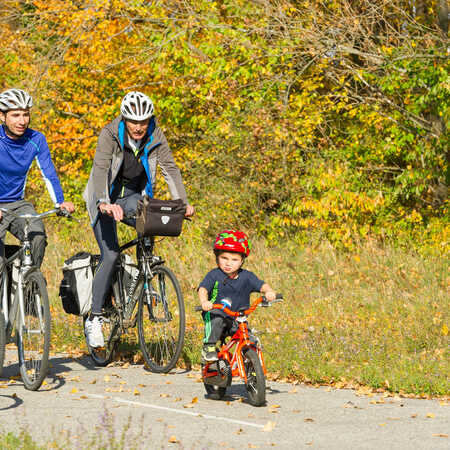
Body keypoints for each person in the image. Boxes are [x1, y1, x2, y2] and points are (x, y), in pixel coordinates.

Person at [83, 91, 194, 348]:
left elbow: (170, 169)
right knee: (110, 254)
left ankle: (143, 275)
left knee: (152, 221)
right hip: (102, 197)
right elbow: (100, 169)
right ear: (124, 118)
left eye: (143, 121)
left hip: (131, 196)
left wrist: (183, 203)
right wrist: (104, 202)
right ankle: (95, 317)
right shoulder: (110, 134)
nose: (138, 126)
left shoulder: (156, 135)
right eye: (133, 121)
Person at [0, 88, 75, 269]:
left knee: (38, 237)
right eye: (15, 115)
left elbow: (48, 173)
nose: (22, 121)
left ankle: (30, 287)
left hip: (18, 204)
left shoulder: (36, 139)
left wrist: (60, 202)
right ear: (2, 117)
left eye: (25, 115)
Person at [199, 230, 276, 361]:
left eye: (234, 260)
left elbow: (261, 285)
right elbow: (203, 289)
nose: (229, 263)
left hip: (237, 318)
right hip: (216, 313)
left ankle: (250, 364)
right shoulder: (214, 274)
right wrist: (204, 302)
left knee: (249, 339)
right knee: (216, 321)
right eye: (224, 258)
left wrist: (269, 291)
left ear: (242, 261)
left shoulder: (247, 276)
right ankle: (209, 346)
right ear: (217, 257)